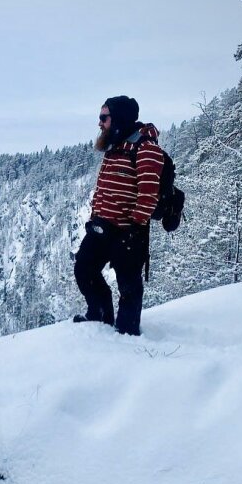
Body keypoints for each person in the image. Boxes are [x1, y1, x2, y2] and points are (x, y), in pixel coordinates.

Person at [73, 95, 164, 336]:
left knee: (129, 286)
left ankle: (127, 333)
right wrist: (95, 216)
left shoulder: (145, 148)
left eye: (104, 117)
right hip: (101, 227)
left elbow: (149, 194)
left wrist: (135, 226)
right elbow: (104, 187)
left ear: (119, 118)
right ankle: (100, 316)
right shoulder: (114, 146)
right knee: (84, 268)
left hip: (128, 231)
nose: (100, 123)